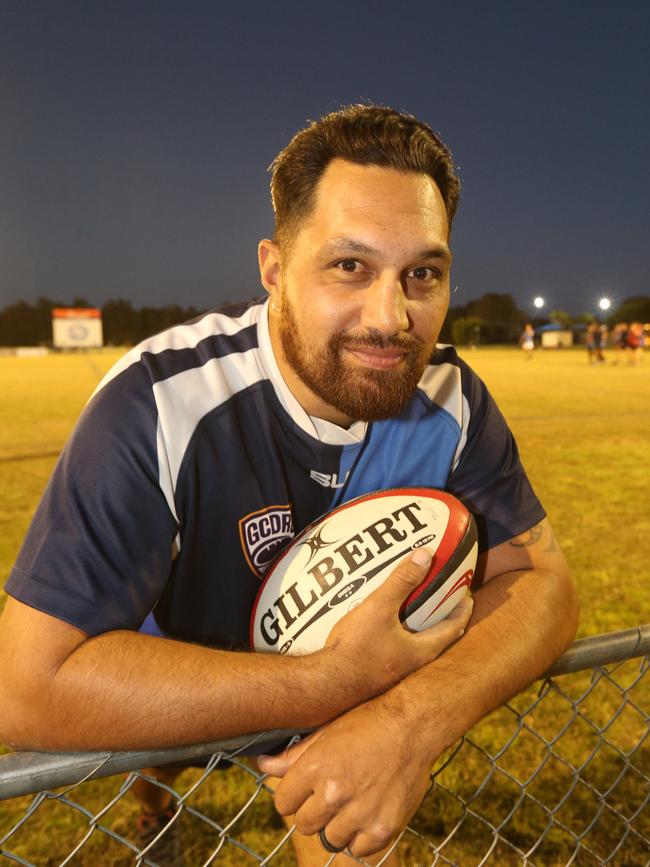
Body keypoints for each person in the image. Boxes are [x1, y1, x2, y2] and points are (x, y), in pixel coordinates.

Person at [0, 105, 578, 866]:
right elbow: (26, 685)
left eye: (423, 274)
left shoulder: (451, 398)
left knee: (352, 814)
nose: (392, 316)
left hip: (348, 691)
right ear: (273, 269)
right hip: (184, 664)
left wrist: (404, 718)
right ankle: (155, 802)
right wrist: (331, 680)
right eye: (350, 266)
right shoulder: (161, 403)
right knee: (157, 766)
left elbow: (544, 584)